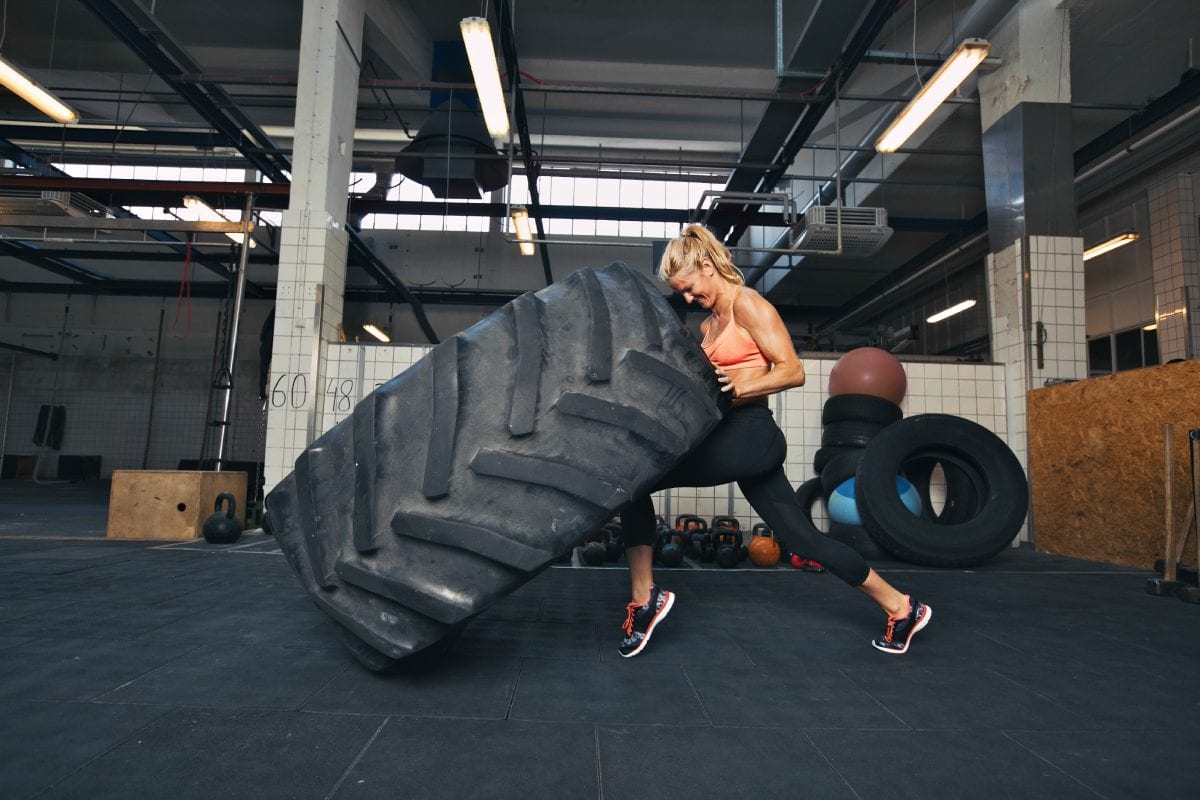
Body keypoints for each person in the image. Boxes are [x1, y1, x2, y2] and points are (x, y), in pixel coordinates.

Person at [616, 224, 931, 658]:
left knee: (634, 479)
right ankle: (902, 607)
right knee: (804, 541)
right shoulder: (709, 326)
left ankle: (643, 597)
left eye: (689, 288)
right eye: (682, 294)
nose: (688, 299)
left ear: (707, 267)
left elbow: (792, 370)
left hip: (751, 435)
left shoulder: (748, 304)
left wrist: (738, 388)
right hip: (735, 439)